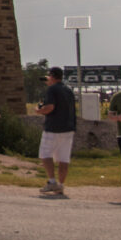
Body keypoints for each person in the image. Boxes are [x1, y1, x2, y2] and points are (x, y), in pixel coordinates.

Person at [35, 66, 75, 194]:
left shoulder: (52, 89)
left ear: (51, 76)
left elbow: (50, 107)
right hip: (68, 128)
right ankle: (61, 185)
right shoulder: (68, 90)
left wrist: (39, 110)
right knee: (64, 158)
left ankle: (52, 182)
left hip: (53, 128)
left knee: (45, 154)